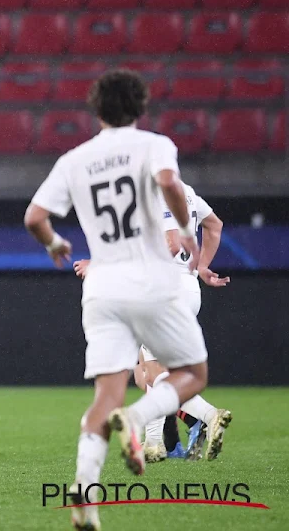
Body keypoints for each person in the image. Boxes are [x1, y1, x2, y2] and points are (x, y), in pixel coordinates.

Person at [23, 69, 227, 531]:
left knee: (104, 395)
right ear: (140, 109)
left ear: (96, 110)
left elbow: (35, 217)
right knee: (193, 373)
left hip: (102, 287)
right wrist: (185, 234)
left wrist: (55, 245)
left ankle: (85, 498)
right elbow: (172, 184)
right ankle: (135, 419)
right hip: (151, 281)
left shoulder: (75, 159)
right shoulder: (154, 145)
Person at [74, 182, 231, 463]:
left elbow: (170, 245)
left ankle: (207, 416)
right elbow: (214, 225)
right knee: (146, 371)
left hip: (164, 291)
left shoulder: (159, 192)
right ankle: (155, 442)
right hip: (186, 289)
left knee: (155, 373)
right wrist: (203, 266)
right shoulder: (187, 191)